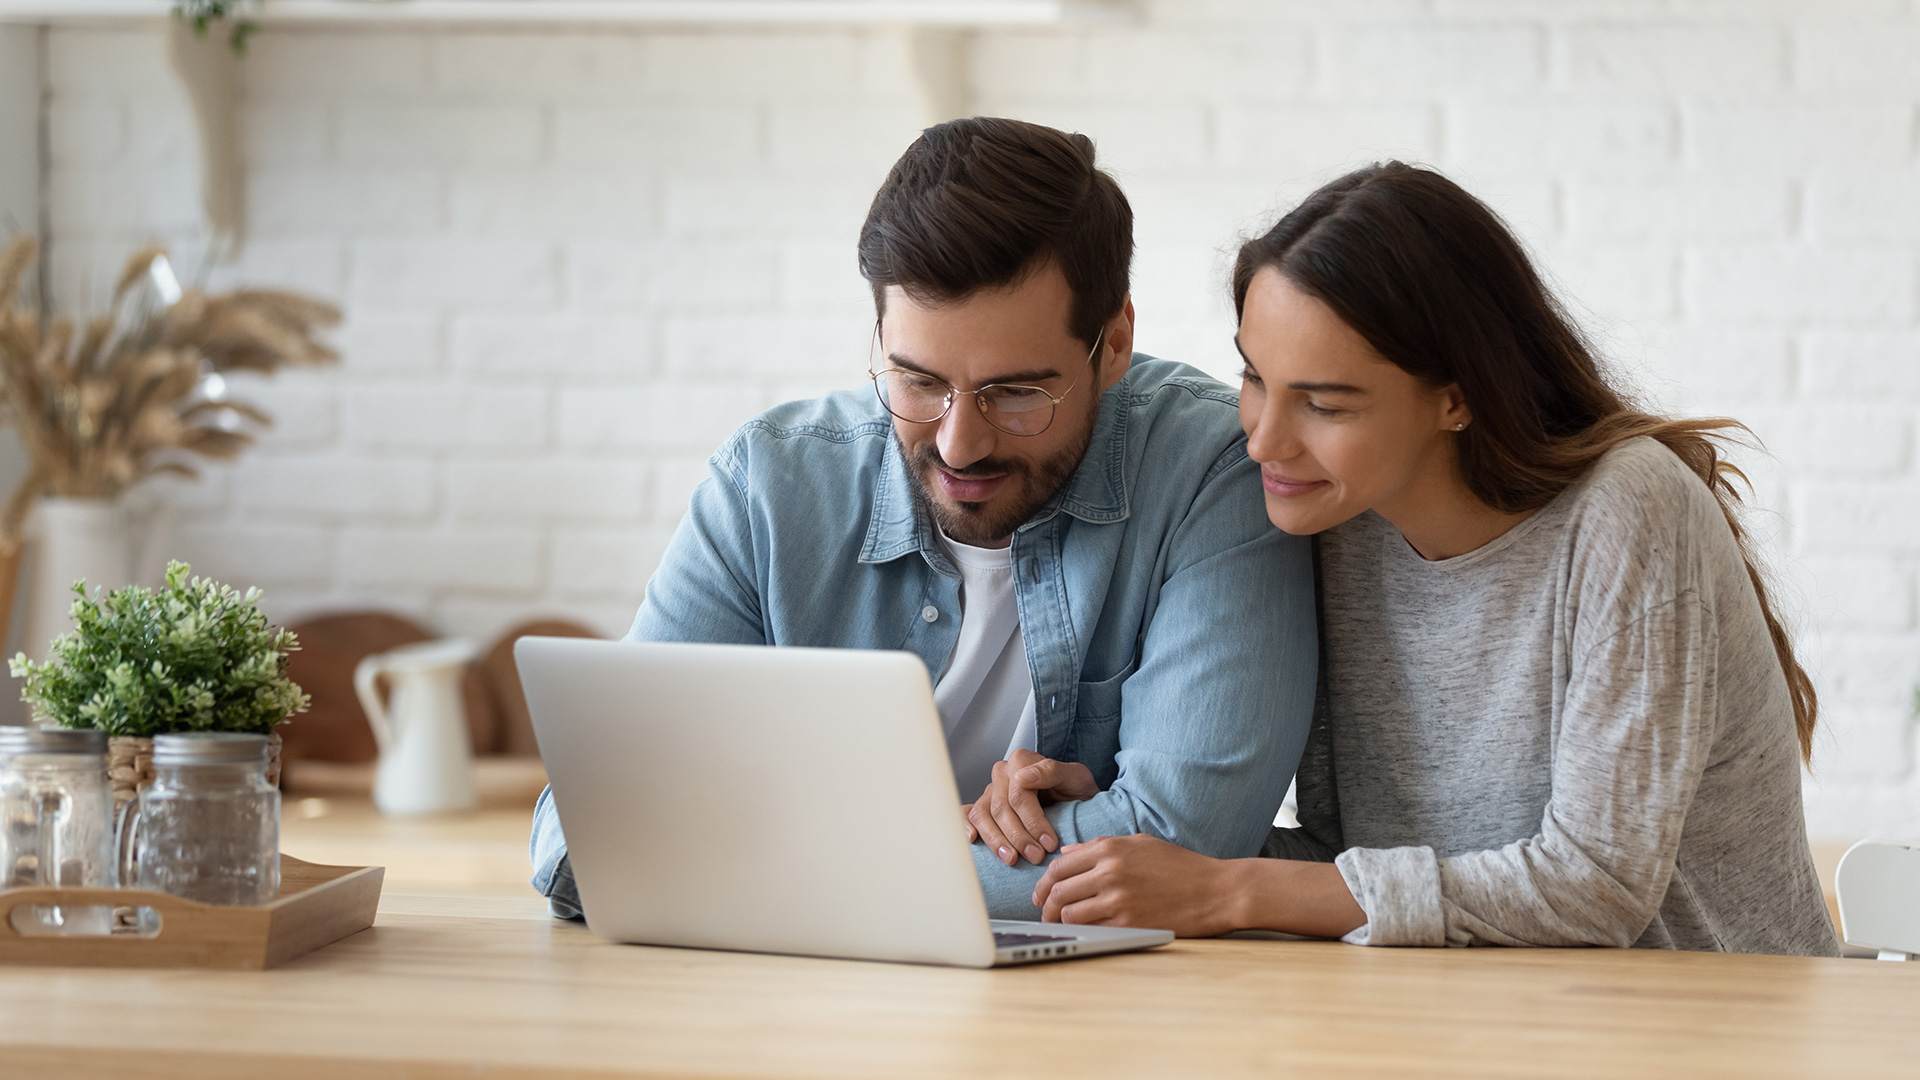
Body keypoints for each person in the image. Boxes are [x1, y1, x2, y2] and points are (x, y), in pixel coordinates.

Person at [1029, 161, 1841, 955]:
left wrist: (1230, 889)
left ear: (1456, 396)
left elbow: (1597, 886)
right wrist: (1128, 841)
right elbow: (1366, 874)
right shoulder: (1338, 521)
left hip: (1711, 1026)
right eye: (1254, 376)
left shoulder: (1628, 509)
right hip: (1479, 1020)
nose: (1263, 438)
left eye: (1323, 402)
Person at [530, 118, 1317, 920]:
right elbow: (584, 837)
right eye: (916, 381)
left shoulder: (1212, 471)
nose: (960, 444)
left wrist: (764, 860)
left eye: (1016, 394)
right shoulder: (769, 485)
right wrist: (948, 848)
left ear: (1112, 344)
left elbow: (1187, 842)